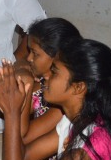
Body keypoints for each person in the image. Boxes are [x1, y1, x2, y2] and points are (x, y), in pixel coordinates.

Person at [15, 18, 82, 147]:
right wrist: (20, 68)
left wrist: (26, 84)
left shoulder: (64, 102)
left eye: (35, 53)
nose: (29, 58)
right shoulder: (42, 83)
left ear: (56, 56)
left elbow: (21, 138)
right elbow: (11, 109)